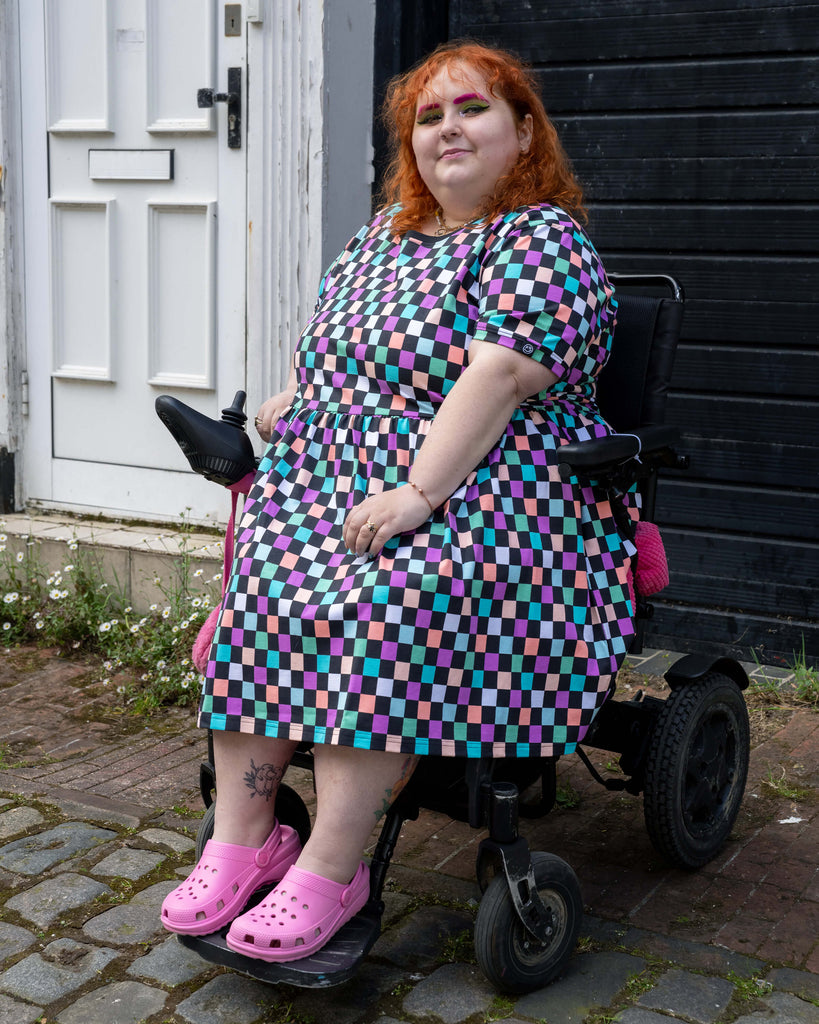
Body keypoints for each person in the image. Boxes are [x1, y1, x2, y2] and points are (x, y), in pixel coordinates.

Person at [161, 40, 635, 963]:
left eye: (472, 109)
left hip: (500, 494)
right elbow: (337, 349)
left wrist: (420, 490)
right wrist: (310, 394)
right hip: (351, 484)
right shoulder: (381, 239)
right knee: (262, 592)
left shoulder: (541, 240)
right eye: (428, 117)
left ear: (522, 131)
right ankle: (242, 842)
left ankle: (330, 872)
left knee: (381, 607)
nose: (447, 129)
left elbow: (494, 377)